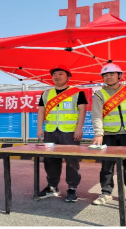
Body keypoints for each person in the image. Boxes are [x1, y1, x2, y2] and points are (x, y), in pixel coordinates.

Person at [91, 63, 126, 207]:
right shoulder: (99, 94)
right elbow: (96, 115)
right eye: (105, 75)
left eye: (111, 74)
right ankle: (106, 193)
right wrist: (98, 133)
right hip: (108, 134)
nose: (108, 77)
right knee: (107, 165)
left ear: (119, 76)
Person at [36, 65, 87, 202]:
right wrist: (40, 128)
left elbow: (82, 110)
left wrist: (79, 128)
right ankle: (52, 187)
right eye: (54, 74)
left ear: (68, 77)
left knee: (72, 160)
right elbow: (41, 111)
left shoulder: (77, 93)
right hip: (50, 131)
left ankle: (72, 188)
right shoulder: (46, 93)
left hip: (69, 132)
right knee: (50, 160)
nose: (57, 77)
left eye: (60, 74)